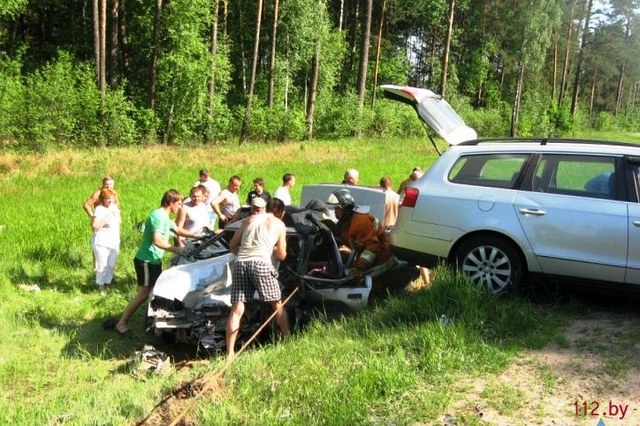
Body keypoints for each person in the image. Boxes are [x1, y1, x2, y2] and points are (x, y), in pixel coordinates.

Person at [112, 189, 200, 336]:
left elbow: (177, 229)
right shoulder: (158, 217)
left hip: (154, 260)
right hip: (146, 260)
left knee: (154, 291)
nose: (180, 206)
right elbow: (157, 240)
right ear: (170, 202)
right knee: (143, 293)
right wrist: (176, 249)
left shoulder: (165, 217)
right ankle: (121, 323)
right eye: (178, 203)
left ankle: (151, 320)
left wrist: (198, 235)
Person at [226, 197, 290, 360]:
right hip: (261, 263)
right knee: (277, 304)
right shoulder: (279, 224)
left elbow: (232, 244)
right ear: (281, 213)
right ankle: (288, 341)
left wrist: (242, 255)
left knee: (237, 310)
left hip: (240, 263)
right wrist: (271, 249)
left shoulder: (249, 220)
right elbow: (282, 255)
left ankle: (230, 353)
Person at [326, 188, 394, 278]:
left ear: (344, 209)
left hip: (381, 257)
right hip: (368, 257)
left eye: (337, 209)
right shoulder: (347, 221)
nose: (335, 211)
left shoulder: (360, 222)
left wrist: (361, 267)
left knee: (368, 284)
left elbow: (372, 246)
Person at [91, 188, 121, 295]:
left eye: (111, 198)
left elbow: (118, 222)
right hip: (102, 242)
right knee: (102, 265)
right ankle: (101, 287)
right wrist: (105, 220)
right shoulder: (99, 209)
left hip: (114, 241)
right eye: (107, 199)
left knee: (111, 265)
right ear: (102, 199)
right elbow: (94, 226)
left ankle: (108, 284)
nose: (110, 201)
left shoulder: (115, 208)